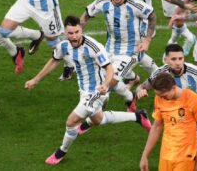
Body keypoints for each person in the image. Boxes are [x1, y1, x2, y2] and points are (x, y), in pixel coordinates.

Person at [24, 16, 152, 165]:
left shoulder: (93, 47)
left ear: (81, 29)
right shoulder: (64, 46)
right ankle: (138, 117)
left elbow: (109, 68)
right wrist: (35, 79)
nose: (74, 36)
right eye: (70, 33)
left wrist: (105, 85)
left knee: (71, 122)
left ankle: (61, 152)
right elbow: (54, 60)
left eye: (77, 32)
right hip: (84, 89)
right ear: (65, 32)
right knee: (98, 119)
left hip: (97, 91)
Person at [79, 0, 197, 84]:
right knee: (124, 52)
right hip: (124, 20)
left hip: (141, 25)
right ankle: (145, 75)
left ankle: (157, 78)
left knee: (132, 52)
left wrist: (183, 4)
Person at [80, 0, 157, 113]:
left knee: (111, 80)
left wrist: (147, 41)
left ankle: (97, 106)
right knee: (103, 77)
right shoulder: (103, 2)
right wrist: (78, 35)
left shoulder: (135, 5)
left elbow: (152, 16)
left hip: (132, 51)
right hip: (110, 48)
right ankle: (130, 93)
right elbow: (86, 15)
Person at [137, 44, 197, 132]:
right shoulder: (160, 73)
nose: (178, 63)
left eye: (180, 58)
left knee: (192, 141)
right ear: (166, 60)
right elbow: (141, 87)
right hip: (174, 112)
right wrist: (141, 91)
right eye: (173, 59)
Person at [139, 72, 197, 171]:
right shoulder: (159, 98)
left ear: (174, 87)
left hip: (186, 157)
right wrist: (144, 156)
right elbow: (156, 127)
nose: (161, 98)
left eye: (164, 95)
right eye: (159, 95)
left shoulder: (194, 100)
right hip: (166, 155)